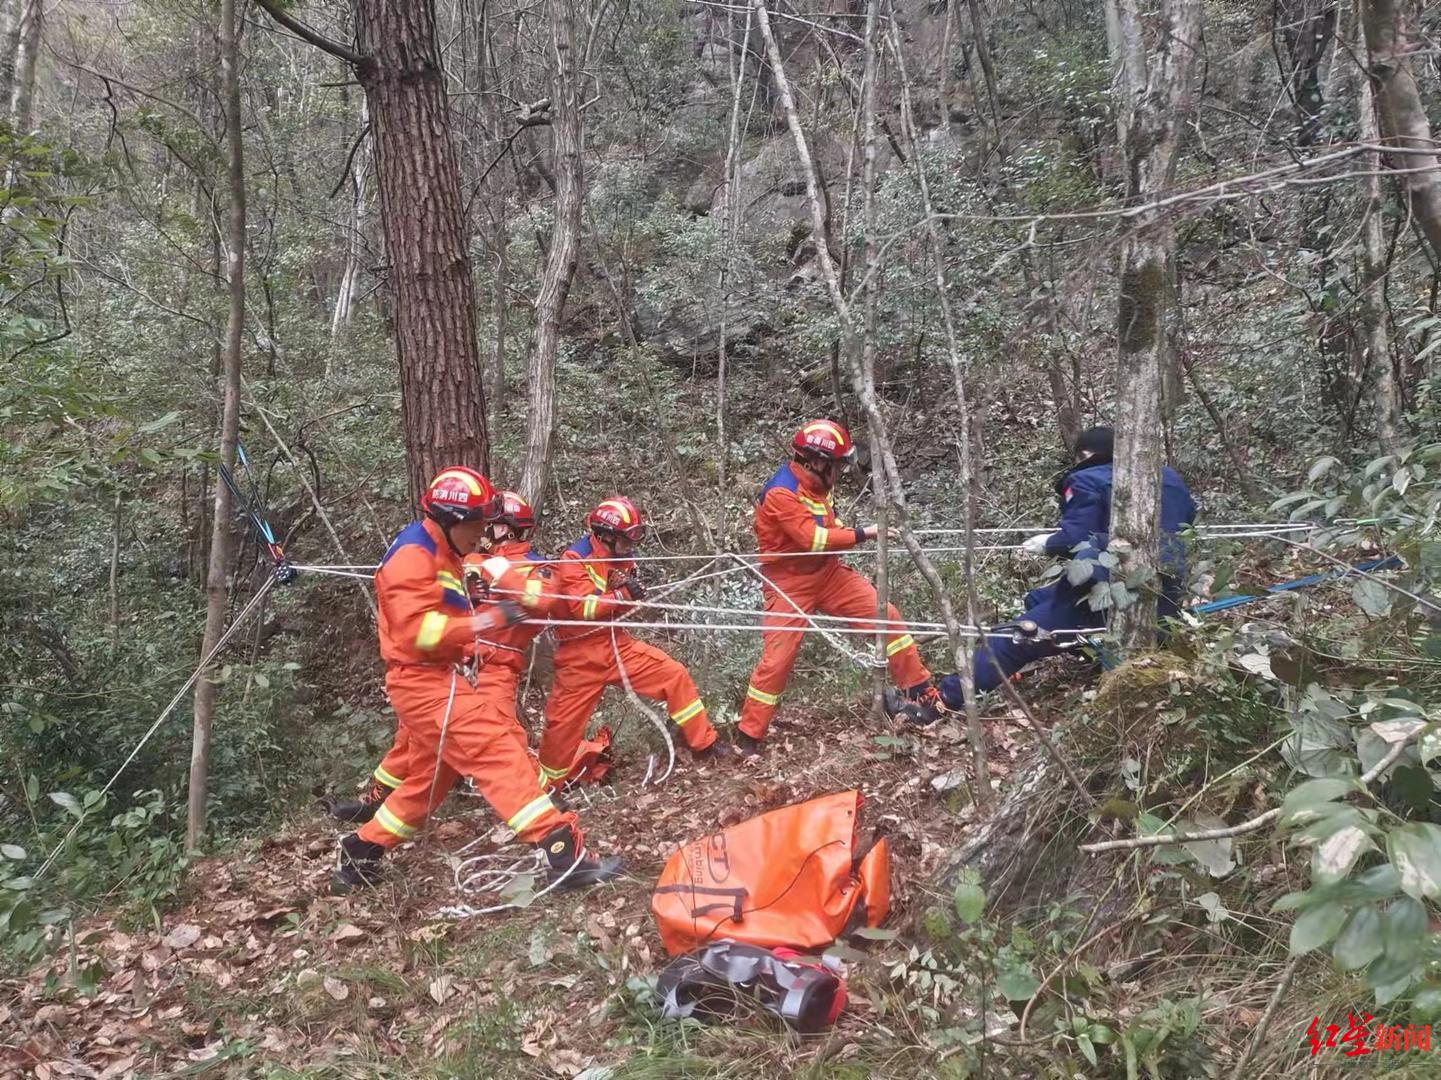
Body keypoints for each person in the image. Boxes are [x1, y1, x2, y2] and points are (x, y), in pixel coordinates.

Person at [333, 469, 622, 894]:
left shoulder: (439, 549)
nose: (483, 534)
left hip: (436, 678)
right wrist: (484, 621)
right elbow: (418, 632)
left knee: (429, 783)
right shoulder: (413, 557)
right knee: (497, 750)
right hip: (424, 685)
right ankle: (562, 852)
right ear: (452, 520)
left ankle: (362, 849)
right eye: (477, 525)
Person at [327, 490, 545, 824]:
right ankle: (375, 806)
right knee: (410, 745)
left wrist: (502, 579)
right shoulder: (459, 558)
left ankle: (542, 800)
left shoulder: (528, 565)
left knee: (500, 737)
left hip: (491, 669)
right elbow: (437, 612)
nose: (484, 531)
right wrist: (474, 595)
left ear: (511, 530)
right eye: (482, 524)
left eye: (493, 525)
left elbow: (542, 602)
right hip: (449, 668)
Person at [937, 426, 1197, 706]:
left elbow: (1076, 537)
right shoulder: (1168, 478)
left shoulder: (1087, 479)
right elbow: (1185, 523)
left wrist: (1050, 543)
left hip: (1107, 594)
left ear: (1085, 454)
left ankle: (944, 699)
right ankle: (1097, 661)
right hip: (1167, 589)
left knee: (1012, 639)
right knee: (1037, 599)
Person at [737, 420, 943, 754]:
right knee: (777, 660)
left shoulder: (817, 483)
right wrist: (864, 533)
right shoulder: (781, 493)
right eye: (836, 464)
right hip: (789, 582)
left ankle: (920, 694)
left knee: (887, 617)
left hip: (828, 573)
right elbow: (813, 539)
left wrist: (847, 531)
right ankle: (749, 736)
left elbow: (825, 527)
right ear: (816, 462)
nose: (840, 471)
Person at [536, 497, 730, 787]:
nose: (632, 545)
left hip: (616, 645)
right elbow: (582, 608)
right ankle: (548, 789)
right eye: (627, 539)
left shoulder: (622, 558)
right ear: (605, 535)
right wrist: (623, 594)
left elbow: (621, 605)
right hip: (579, 658)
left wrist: (631, 592)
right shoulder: (573, 560)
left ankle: (704, 744)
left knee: (674, 675)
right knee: (560, 730)